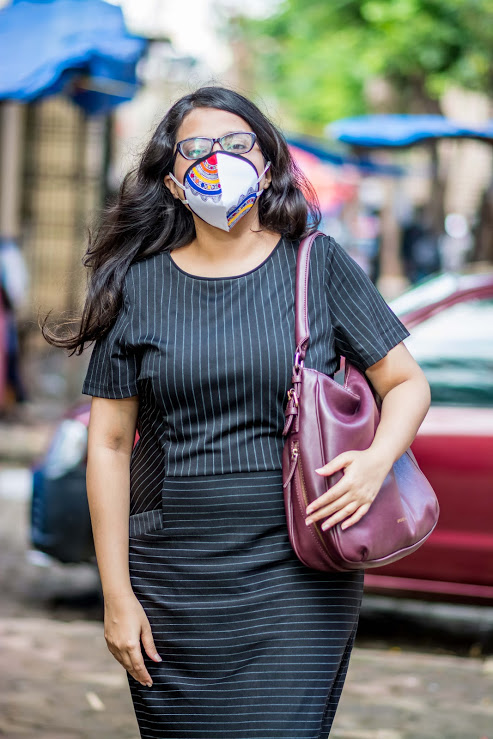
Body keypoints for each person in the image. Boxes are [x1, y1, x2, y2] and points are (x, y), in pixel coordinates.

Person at [41, 86, 431, 739]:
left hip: (298, 563)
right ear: (172, 179)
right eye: (196, 149)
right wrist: (117, 595)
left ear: (268, 162)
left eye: (235, 144)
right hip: (172, 566)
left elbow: (406, 383)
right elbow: (108, 445)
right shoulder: (133, 284)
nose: (216, 160)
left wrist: (373, 462)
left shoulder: (317, 263)